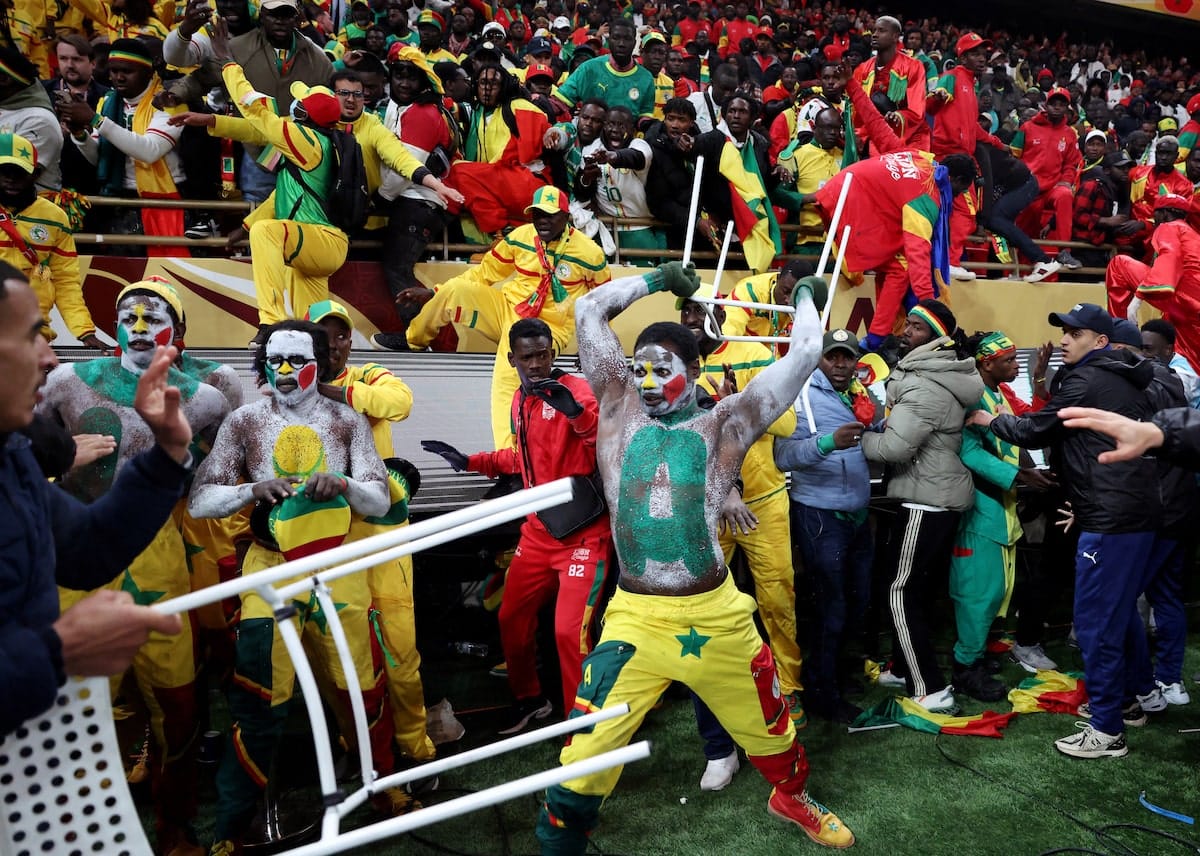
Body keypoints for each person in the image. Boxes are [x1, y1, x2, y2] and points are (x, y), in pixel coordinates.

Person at [535, 261, 854, 852]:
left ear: (696, 371)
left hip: (716, 617)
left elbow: (808, 350)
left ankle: (790, 797)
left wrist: (807, 294)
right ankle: (561, 841)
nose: (648, 382)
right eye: (640, 369)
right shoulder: (617, 407)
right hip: (634, 619)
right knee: (586, 751)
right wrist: (659, 281)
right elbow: (589, 308)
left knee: (773, 732)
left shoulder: (725, 426)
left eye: (664, 370)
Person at [188, 320, 400, 850]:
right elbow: (200, 500)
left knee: (361, 686)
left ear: (319, 364)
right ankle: (235, 826)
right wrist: (250, 490)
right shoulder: (244, 421)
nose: (284, 371)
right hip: (269, 569)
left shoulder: (347, 420)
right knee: (258, 698)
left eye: (296, 361)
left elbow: (380, 501)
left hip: (337, 570)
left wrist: (345, 484)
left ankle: (385, 792)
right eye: (275, 360)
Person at [38, 278, 231, 856]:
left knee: (178, 704)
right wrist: (62, 467)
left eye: (154, 316)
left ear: (179, 328)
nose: (140, 326)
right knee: (71, 704)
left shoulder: (206, 398)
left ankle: (175, 829)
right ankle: (76, 833)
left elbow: (211, 476)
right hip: (74, 551)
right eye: (129, 316)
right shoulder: (66, 381)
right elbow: (23, 454)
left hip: (159, 553)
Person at [0, 259, 186, 741]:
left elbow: (85, 550)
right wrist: (56, 651)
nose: (50, 358)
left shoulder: (12, 455)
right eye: (30, 336)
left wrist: (167, 456)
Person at [973, 303, 1160, 759]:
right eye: (1064, 331)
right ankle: (1134, 699)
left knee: (1095, 622)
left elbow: (1037, 429)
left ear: (1100, 341)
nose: (1063, 340)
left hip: (1111, 517)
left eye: (1075, 334)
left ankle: (1107, 729)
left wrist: (988, 420)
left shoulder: (1087, 378)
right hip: (1128, 509)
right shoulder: (1125, 375)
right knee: (1120, 614)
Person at [422, 318, 612, 731]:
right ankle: (530, 701)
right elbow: (520, 460)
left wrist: (577, 414)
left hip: (583, 536)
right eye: (528, 357)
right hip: (538, 534)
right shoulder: (519, 401)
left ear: (553, 353)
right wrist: (470, 462)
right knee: (511, 618)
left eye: (543, 355)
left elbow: (608, 446)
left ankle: (583, 727)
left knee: (569, 633)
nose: (537, 364)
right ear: (513, 360)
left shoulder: (575, 391)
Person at [304, 298, 440, 766]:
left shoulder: (368, 376)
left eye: (341, 335)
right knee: (342, 653)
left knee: (400, 648)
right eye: (322, 337)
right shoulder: (290, 392)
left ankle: (415, 747)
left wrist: (333, 392)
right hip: (328, 536)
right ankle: (360, 747)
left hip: (383, 532)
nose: (333, 345)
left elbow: (400, 403)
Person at [678, 284, 805, 784]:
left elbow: (788, 423)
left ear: (719, 315)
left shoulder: (754, 354)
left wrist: (739, 403)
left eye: (700, 310)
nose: (691, 319)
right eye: (685, 311)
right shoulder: (676, 366)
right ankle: (712, 693)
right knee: (702, 602)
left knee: (777, 595)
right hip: (706, 505)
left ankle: (789, 686)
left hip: (762, 501)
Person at [376, 186, 610, 450]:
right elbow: (483, 274)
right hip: (508, 309)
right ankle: (415, 340)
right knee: (455, 290)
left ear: (566, 217)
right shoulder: (520, 237)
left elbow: (604, 301)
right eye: (537, 214)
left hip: (549, 329)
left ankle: (510, 455)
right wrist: (433, 292)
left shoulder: (590, 254)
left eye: (550, 214)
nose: (542, 220)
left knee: (508, 371)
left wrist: (594, 344)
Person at [859, 300, 982, 710]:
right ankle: (902, 665)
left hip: (924, 500)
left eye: (916, 327)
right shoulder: (935, 375)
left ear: (935, 337)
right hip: (933, 494)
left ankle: (928, 686)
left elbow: (894, 448)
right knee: (916, 590)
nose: (905, 332)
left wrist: (858, 437)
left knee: (900, 591)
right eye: (907, 324)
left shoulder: (925, 385)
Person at [204, 18, 348, 342]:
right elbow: (279, 194)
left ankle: (270, 322)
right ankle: (319, 358)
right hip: (316, 244)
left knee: (267, 232)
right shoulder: (316, 143)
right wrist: (213, 120)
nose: (293, 105)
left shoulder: (304, 139)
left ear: (303, 114)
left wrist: (228, 62)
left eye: (300, 102)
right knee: (312, 328)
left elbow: (256, 113)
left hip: (317, 239)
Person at [774, 329, 879, 723]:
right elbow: (783, 456)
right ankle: (821, 694)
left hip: (858, 514)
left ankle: (837, 675)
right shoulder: (800, 394)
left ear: (855, 361)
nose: (839, 364)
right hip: (819, 516)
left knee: (856, 601)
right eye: (831, 356)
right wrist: (828, 443)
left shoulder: (861, 393)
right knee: (829, 606)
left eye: (846, 357)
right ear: (819, 359)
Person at [950, 332, 1055, 702]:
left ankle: (976, 654)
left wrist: (1026, 472)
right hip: (980, 507)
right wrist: (1019, 476)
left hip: (1001, 507)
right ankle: (965, 668)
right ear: (986, 363)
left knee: (997, 590)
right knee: (979, 592)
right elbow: (968, 451)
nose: (1015, 365)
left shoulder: (998, 394)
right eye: (1008, 360)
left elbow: (1026, 428)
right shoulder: (971, 396)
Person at [163, 0, 333, 203]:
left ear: (297, 18)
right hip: (257, 152)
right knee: (256, 207)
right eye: (273, 14)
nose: (280, 21)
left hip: (301, 152)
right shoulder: (238, 47)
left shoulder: (317, 58)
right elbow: (204, 77)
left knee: (302, 209)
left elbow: (331, 95)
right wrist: (176, 94)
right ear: (262, 16)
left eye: (286, 14)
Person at [810, 151, 977, 352]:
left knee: (894, 263)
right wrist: (929, 305)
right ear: (955, 179)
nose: (957, 197)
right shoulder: (926, 197)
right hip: (851, 202)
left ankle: (879, 336)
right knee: (901, 269)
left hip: (846, 190)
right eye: (961, 191)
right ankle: (875, 341)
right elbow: (918, 254)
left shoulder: (924, 159)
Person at [61, 38, 189, 252]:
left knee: (166, 267)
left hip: (165, 199)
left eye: (127, 71)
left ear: (148, 71)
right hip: (119, 198)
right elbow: (99, 157)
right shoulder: (107, 102)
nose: (118, 77)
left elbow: (149, 151)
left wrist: (96, 121)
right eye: (113, 71)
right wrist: (79, 134)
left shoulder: (170, 100)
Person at [0, 132, 105, 350]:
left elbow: (65, 279)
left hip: (32, 335)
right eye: (3, 172)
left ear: (36, 174)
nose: (10, 179)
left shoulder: (55, 218)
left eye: (19, 172)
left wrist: (85, 331)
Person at [1106, 194, 1200, 377]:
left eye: (1155, 213)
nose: (1153, 218)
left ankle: (1120, 336)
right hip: (1191, 306)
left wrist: (1138, 298)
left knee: (1119, 264)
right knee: (1188, 353)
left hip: (1183, 297)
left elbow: (1170, 256)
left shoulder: (1169, 227)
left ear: (1164, 214)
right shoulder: (1193, 235)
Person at [576, 105, 663, 259]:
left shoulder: (638, 145)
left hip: (639, 227)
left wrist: (613, 157)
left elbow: (637, 158)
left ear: (631, 129)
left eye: (622, 125)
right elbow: (582, 193)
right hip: (607, 228)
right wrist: (587, 178)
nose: (615, 130)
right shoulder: (591, 149)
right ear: (604, 126)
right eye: (611, 124)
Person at [1010, 87, 1083, 268]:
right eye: (1053, 103)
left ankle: (1064, 251)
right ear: (1046, 105)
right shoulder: (1027, 127)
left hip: (1052, 188)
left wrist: (1066, 181)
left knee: (1065, 195)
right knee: (1024, 234)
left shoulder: (1069, 134)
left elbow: (1071, 164)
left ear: (1067, 108)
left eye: (1062, 104)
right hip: (1028, 188)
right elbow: (1013, 157)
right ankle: (1019, 271)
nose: (1057, 107)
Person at [554, 17, 654, 119]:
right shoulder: (589, 69)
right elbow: (560, 102)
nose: (621, 44)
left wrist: (649, 124)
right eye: (616, 38)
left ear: (634, 43)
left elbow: (645, 117)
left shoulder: (646, 78)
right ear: (609, 40)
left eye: (627, 39)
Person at [851, 15, 926, 149]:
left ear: (895, 37)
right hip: (868, 136)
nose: (875, 35)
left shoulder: (913, 67)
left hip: (903, 138)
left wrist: (898, 116)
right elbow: (856, 112)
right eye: (874, 30)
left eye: (881, 31)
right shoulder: (861, 69)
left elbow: (916, 110)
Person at [1142, 318, 1200, 409]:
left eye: (1148, 349)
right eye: (1140, 347)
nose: (1142, 354)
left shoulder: (1183, 374)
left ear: (1168, 349)